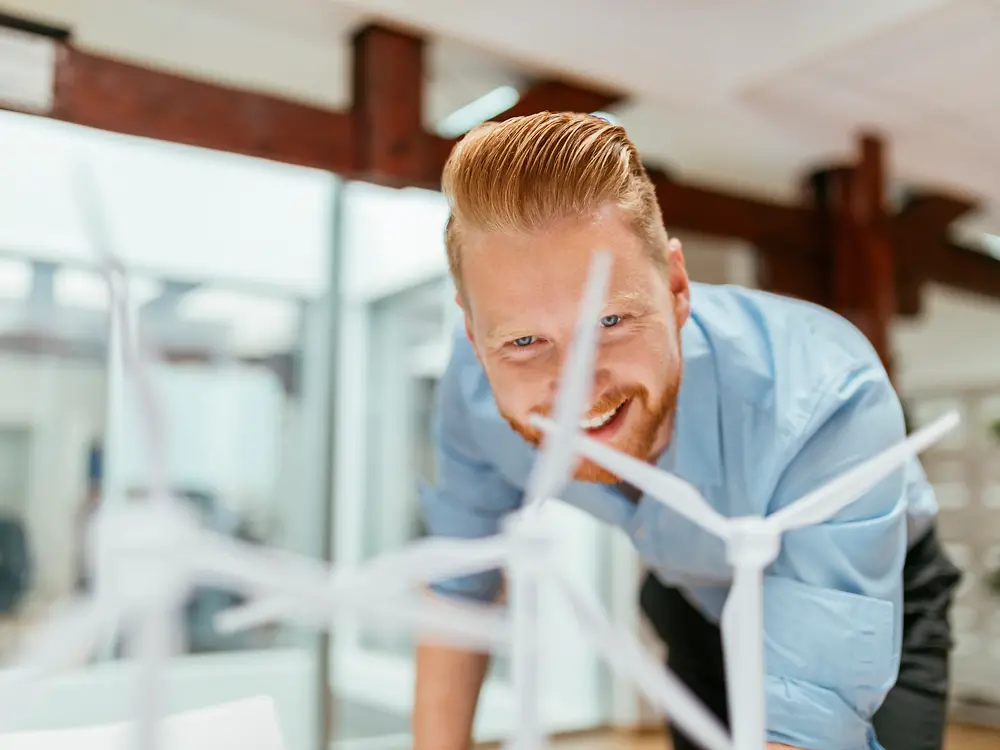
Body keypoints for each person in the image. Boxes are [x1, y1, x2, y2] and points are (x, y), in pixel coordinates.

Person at [413, 112, 962, 750]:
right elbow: (458, 587)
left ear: (676, 287)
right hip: (696, 595)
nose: (580, 387)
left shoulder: (823, 394)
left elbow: (804, 729)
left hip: (868, 581)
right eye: (526, 341)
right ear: (475, 335)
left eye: (612, 320)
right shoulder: (471, 390)